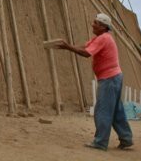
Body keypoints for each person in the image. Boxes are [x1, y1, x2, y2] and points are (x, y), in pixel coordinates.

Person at [55, 14, 134, 151]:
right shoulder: (102, 38)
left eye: (96, 23)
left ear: (103, 27)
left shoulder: (103, 39)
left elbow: (86, 53)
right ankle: (126, 139)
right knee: (116, 111)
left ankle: (100, 142)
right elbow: (84, 46)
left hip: (109, 78)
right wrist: (67, 46)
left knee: (102, 110)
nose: (92, 24)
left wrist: (68, 47)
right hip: (114, 77)